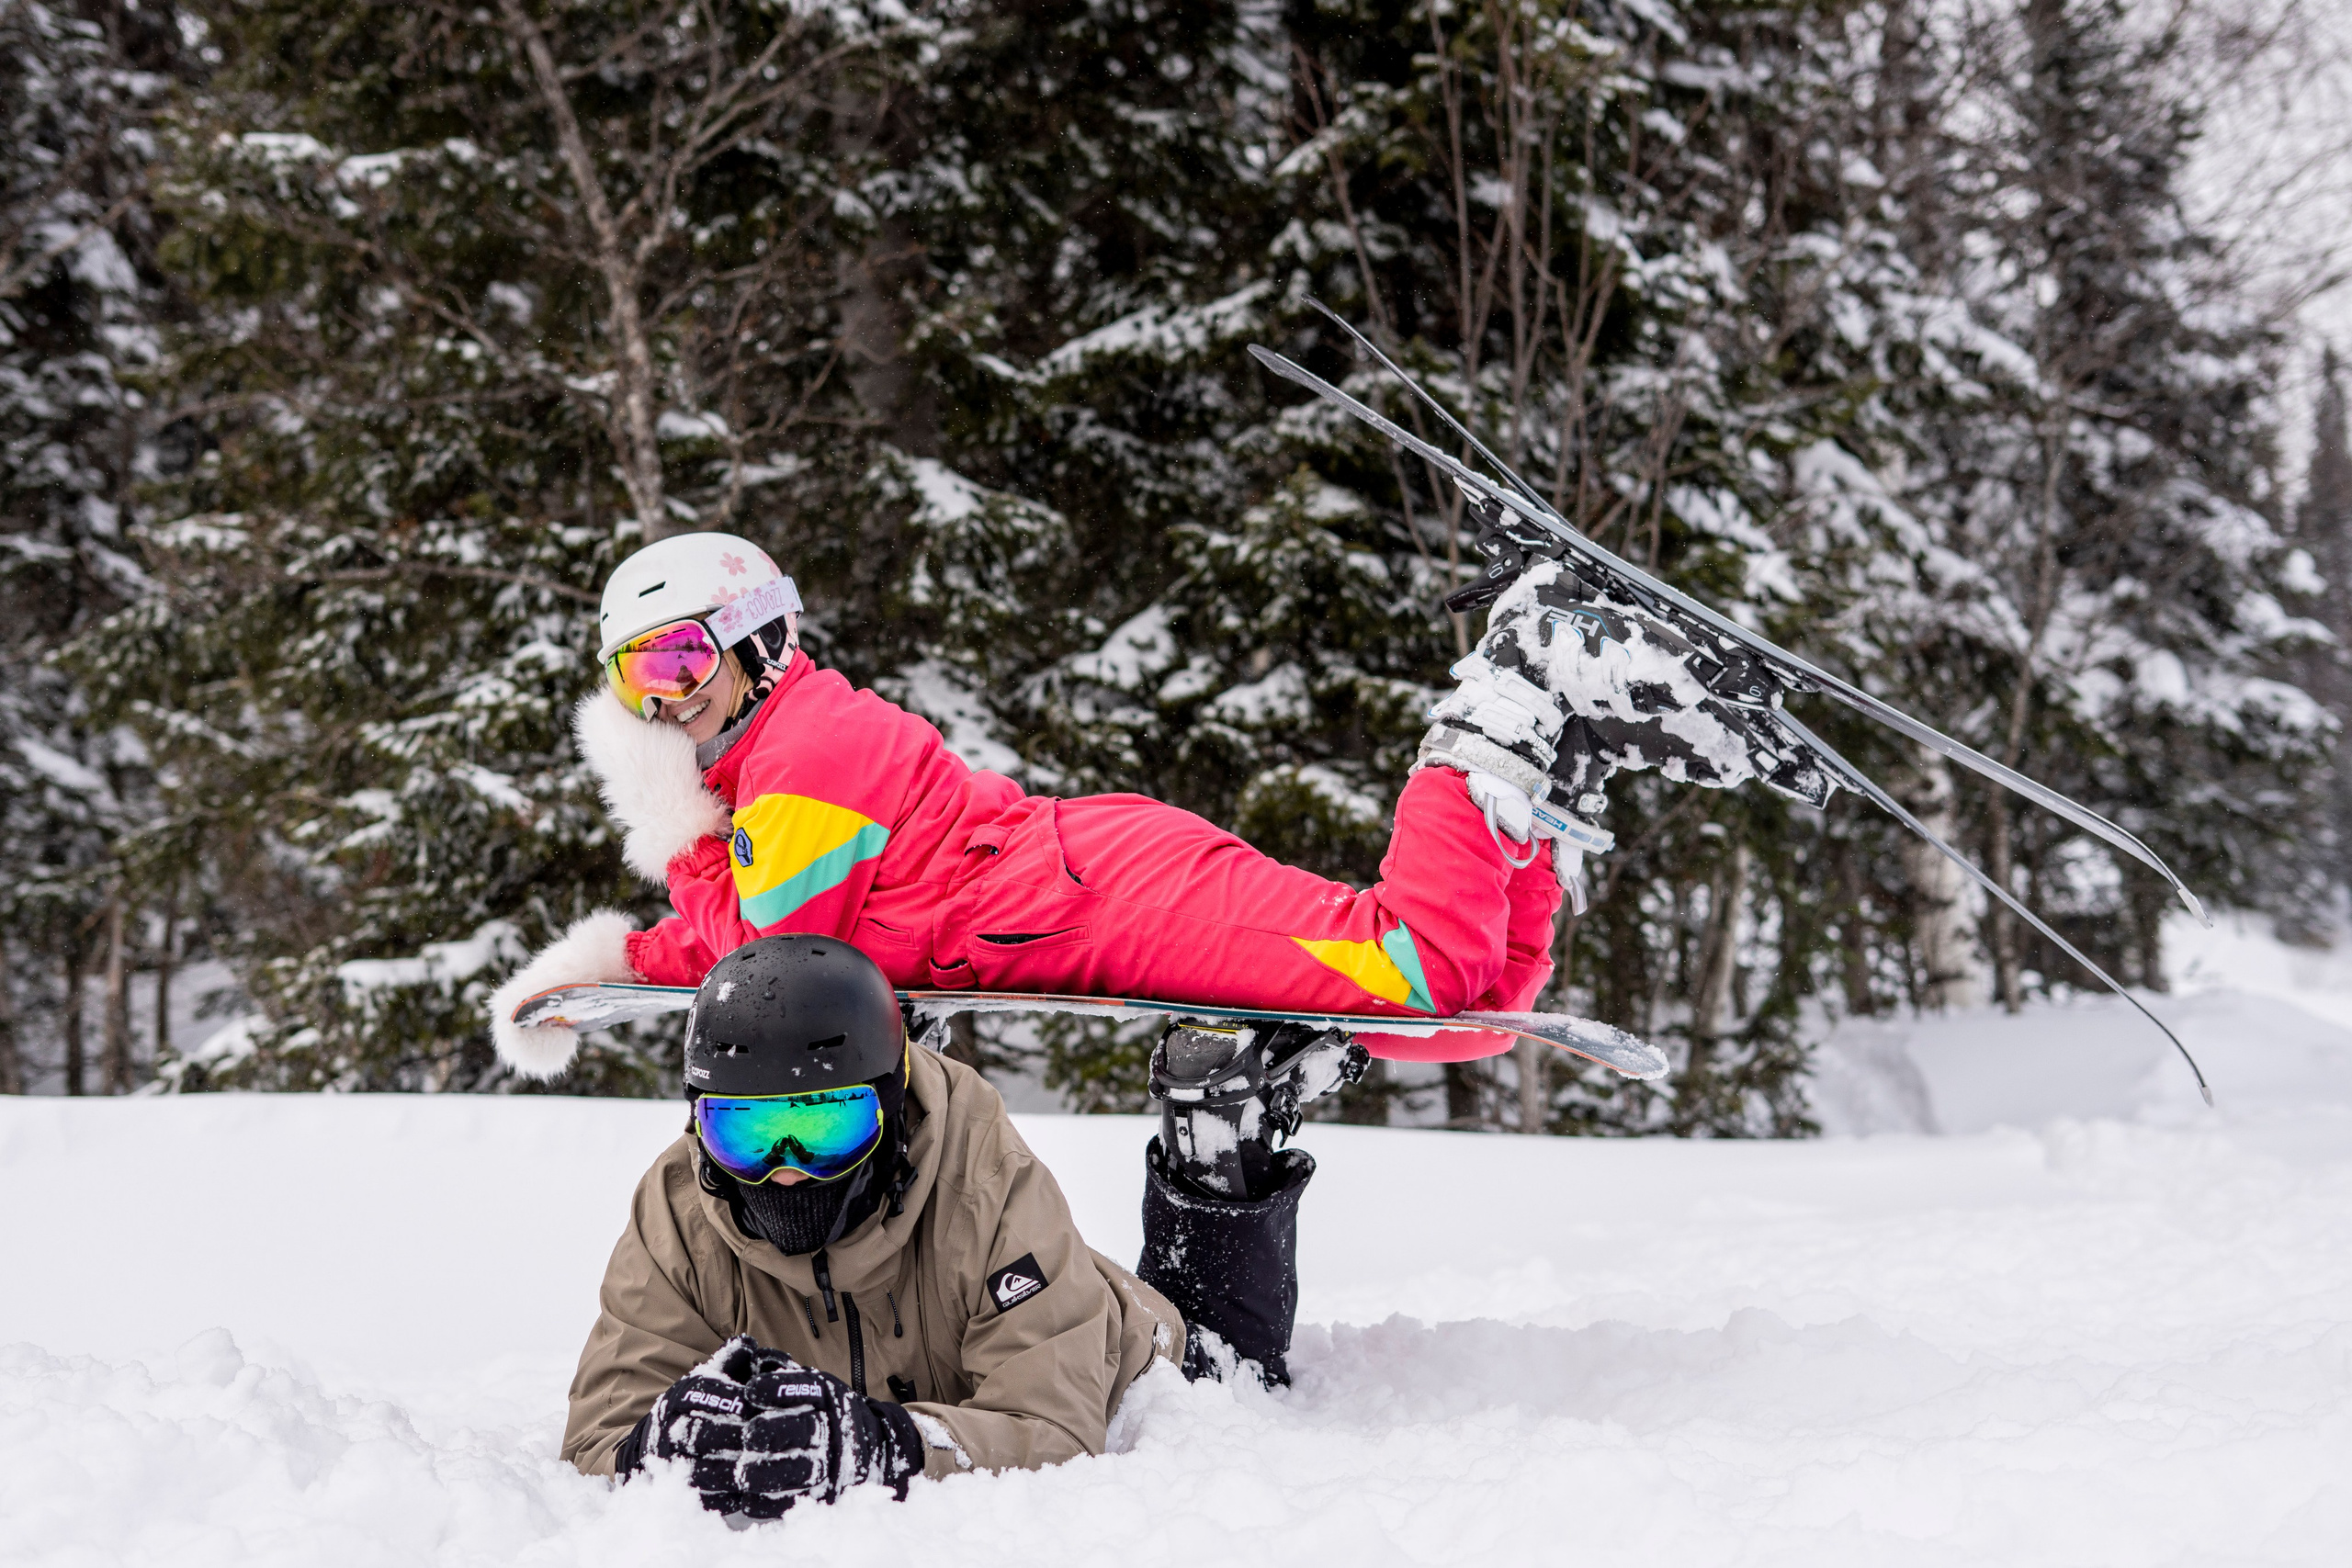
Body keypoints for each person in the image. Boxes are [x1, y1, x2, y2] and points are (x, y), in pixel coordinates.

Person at [490, 530, 1789, 1097]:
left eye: (676, 665)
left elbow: (764, 962)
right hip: (1090, 879)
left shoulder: (808, 747)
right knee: (1459, 1016)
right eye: (632, 679)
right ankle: (1542, 768)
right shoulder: (775, 768)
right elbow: (743, 932)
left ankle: (1518, 688)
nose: (659, 704)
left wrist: (670, 831)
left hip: (1104, 893)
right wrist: (619, 956)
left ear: (757, 646)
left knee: (1414, 977)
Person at [566, 934, 1312, 1514]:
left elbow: (1055, 1429)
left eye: (825, 1128)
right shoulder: (680, 1208)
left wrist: (884, 1442)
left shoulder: (985, 1180)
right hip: (976, 1347)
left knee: (1228, 1356)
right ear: (697, 1126)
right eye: (745, 1133)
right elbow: (599, 1436)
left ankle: (1219, 1119)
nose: (785, 1169)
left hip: (1140, 1365)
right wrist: (651, 1447)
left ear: (890, 1109)